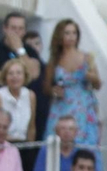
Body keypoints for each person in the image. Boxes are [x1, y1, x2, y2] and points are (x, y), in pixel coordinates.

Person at [43, 19, 101, 149]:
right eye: (67, 33)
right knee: (57, 142)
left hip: (83, 104)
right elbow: (46, 87)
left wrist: (91, 77)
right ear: (60, 36)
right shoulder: (54, 60)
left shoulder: (87, 58)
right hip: (62, 104)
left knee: (85, 143)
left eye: (74, 33)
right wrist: (54, 91)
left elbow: (98, 85)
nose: (71, 37)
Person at [0, 58, 37, 171]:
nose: (15, 77)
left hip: (25, 144)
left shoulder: (30, 95)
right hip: (5, 145)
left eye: (18, 73)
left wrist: (30, 149)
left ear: (24, 76)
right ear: (5, 77)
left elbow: (31, 126)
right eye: (11, 73)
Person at [0, 12, 42, 89]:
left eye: (20, 28)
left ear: (24, 31)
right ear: (5, 29)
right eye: (13, 28)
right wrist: (20, 77)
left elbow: (33, 73)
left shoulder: (30, 51)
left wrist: (20, 50)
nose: (17, 32)